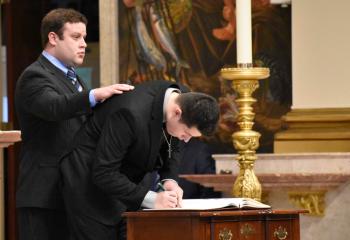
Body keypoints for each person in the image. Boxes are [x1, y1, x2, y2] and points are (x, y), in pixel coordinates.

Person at [14, 8, 134, 240]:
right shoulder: (35, 75)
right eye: (76, 37)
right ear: (53, 38)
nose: (83, 44)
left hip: (73, 195)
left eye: (85, 37)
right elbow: (55, 107)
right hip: (45, 197)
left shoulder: (73, 77)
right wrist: (95, 95)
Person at [60, 80, 220, 240]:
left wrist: (169, 179)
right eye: (187, 133)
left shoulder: (182, 99)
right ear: (176, 113)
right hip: (88, 185)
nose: (186, 140)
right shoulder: (130, 112)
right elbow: (103, 172)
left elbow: (173, 144)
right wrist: (153, 199)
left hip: (125, 184)